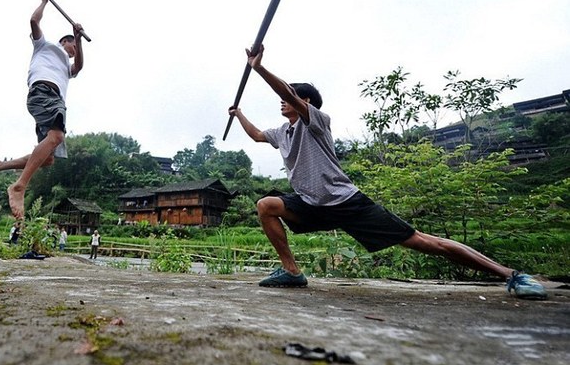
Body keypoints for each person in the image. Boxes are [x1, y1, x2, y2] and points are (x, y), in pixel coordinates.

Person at [228, 45, 547, 300]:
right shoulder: (282, 133)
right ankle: (292, 272)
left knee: (424, 242)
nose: (282, 103)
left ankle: (511, 275)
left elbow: (289, 93)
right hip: (312, 204)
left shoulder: (317, 123)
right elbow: (257, 135)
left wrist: (259, 69)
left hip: (346, 203)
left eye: (287, 98)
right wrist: (239, 113)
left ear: (304, 101)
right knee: (266, 205)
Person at [0, 0, 84, 220]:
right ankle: (19, 186)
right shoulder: (45, 47)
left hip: (53, 101)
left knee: (48, 158)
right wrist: (43, 2)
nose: (72, 52)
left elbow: (79, 67)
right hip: (43, 92)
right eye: (71, 45)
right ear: (64, 42)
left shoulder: (67, 67)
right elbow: (34, 20)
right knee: (57, 137)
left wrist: (80, 38)